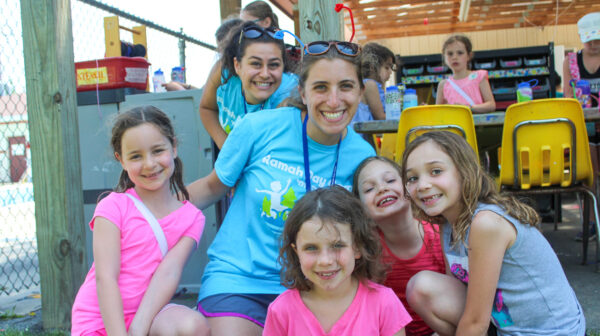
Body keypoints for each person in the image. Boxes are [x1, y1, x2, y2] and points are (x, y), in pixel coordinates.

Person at [187, 40, 375, 335]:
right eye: (321, 87)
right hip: (240, 280)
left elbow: (373, 231)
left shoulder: (364, 158)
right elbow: (211, 188)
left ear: (361, 92)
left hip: (316, 287)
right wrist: (144, 207)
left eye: (346, 86)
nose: (334, 100)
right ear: (302, 91)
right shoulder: (257, 128)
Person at [401, 131, 586, 336]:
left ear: (464, 171)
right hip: (502, 326)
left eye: (436, 171)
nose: (423, 185)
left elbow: (475, 322)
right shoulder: (448, 222)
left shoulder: (486, 223)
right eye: (412, 178)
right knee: (421, 288)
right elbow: (458, 292)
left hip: (549, 333)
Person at [71, 106, 208, 336]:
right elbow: (106, 279)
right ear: (121, 160)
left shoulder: (192, 218)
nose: (149, 164)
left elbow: (169, 273)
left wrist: (139, 327)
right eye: (136, 156)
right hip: (99, 320)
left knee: (194, 326)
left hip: (149, 315)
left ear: (173, 147)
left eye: (157, 151)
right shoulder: (112, 206)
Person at [263, 185, 411, 335]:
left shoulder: (384, 304)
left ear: (357, 247)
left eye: (337, 245)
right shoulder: (281, 310)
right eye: (311, 248)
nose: (325, 261)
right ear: (296, 252)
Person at [353, 156, 445, 336]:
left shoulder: (440, 234)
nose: (382, 188)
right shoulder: (366, 251)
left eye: (390, 180)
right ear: (361, 208)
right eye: (369, 188)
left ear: (409, 187)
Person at [199, 21, 298, 149]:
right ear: (237, 65)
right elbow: (206, 108)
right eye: (256, 64)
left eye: (274, 64)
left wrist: (231, 157)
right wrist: (225, 145)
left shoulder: (287, 98)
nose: (265, 74)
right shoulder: (224, 70)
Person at [162, 17, 243, 92]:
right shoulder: (225, 69)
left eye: (222, 48)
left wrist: (179, 89)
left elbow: (207, 101)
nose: (220, 53)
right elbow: (206, 93)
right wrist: (187, 86)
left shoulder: (230, 72)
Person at [436, 34, 496, 113]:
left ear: (469, 56)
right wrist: (428, 109)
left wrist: (469, 108)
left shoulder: (479, 77)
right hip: (454, 125)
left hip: (476, 124)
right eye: (450, 54)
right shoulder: (443, 85)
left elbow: (491, 105)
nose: (454, 57)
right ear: (444, 57)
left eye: (460, 53)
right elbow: (438, 111)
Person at [351, 42, 397, 125]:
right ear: (372, 67)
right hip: (361, 134)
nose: (390, 72)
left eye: (391, 68)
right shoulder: (369, 84)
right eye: (387, 67)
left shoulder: (376, 86)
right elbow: (380, 117)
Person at [563, 11, 600, 107]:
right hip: (581, 117)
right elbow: (569, 96)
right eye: (588, 41)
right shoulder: (570, 62)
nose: (593, 45)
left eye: (597, 40)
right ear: (580, 37)